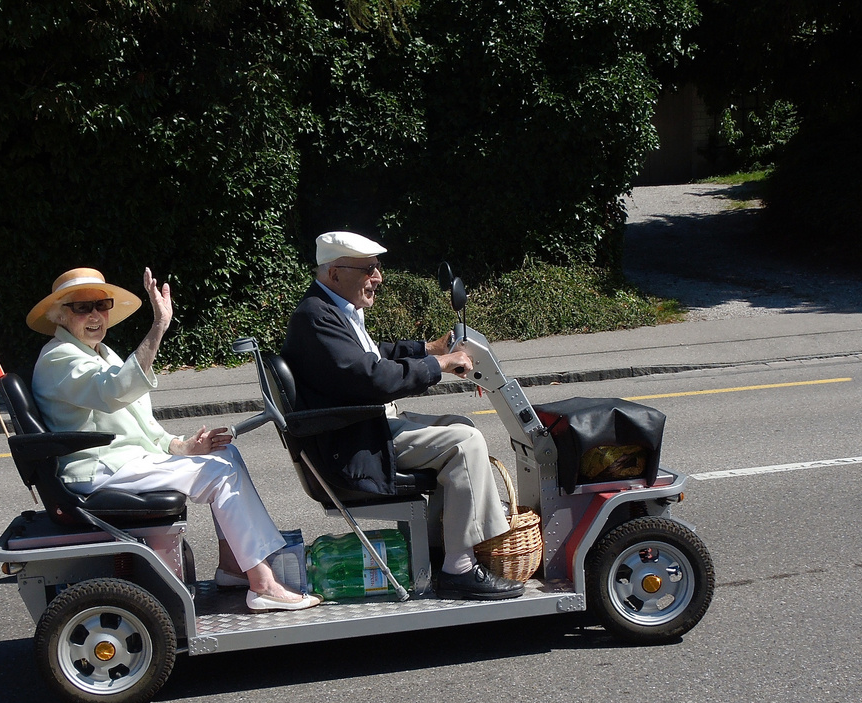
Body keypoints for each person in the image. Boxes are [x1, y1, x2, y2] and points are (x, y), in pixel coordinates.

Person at [29, 266, 319, 613]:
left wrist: (181, 446)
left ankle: (232, 566)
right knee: (218, 473)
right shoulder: (59, 358)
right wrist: (159, 325)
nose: (95, 315)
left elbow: (138, 420)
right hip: (97, 469)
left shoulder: (99, 353)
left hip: (120, 459)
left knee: (227, 455)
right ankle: (264, 584)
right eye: (82, 307)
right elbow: (116, 391)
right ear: (60, 315)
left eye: (102, 305)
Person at [281, 231, 523, 600]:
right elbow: (374, 377)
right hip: (352, 442)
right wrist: (439, 363)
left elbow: (370, 353)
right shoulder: (315, 319)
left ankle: (441, 549)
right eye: (369, 269)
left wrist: (427, 348)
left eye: (377, 267)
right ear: (334, 274)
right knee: (465, 443)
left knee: (462, 425)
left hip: (359, 427)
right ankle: (459, 567)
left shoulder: (331, 309)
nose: (378, 277)